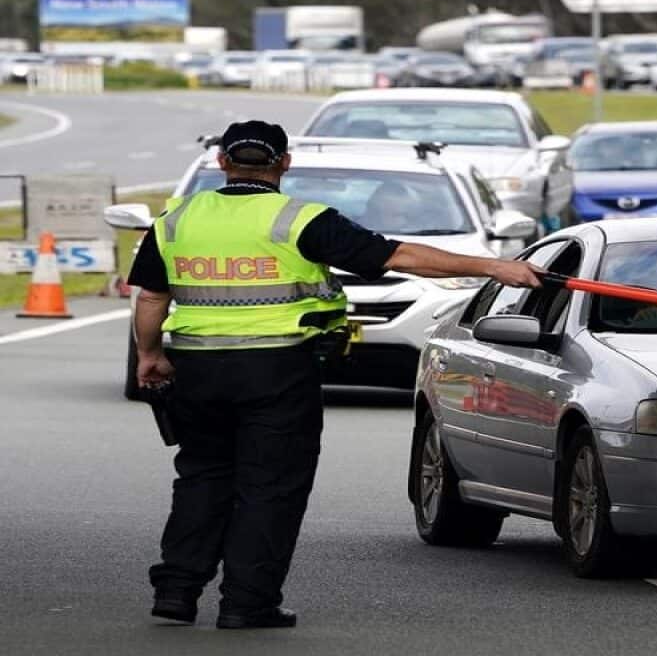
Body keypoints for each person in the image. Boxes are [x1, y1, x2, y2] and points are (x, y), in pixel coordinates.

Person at [128, 121, 542, 629]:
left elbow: (151, 297)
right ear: (284, 163)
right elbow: (398, 256)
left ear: (223, 164)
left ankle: (176, 590)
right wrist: (492, 268)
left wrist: (150, 356)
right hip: (277, 371)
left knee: (202, 477)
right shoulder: (299, 219)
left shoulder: (176, 219)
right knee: (270, 486)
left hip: (197, 370)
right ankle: (246, 603)